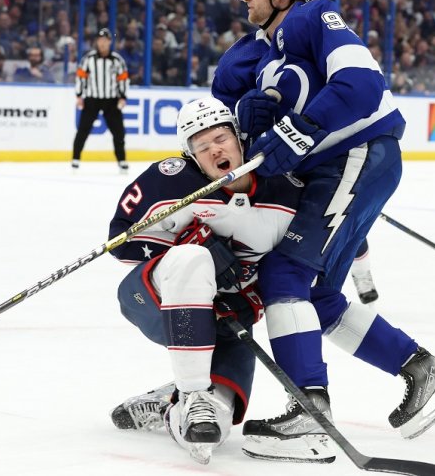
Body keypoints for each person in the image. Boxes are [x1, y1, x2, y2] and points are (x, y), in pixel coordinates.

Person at [229, 0, 435, 462]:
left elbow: (360, 83)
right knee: (317, 298)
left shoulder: (312, 17)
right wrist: (250, 113)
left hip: (354, 156)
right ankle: (425, 373)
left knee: (284, 277)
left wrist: (299, 130)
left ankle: (309, 415)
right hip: (340, 166)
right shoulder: (263, 52)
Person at [107, 97, 300, 464]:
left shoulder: (284, 190)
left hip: (229, 321)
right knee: (193, 258)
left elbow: (309, 260)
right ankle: (193, 392)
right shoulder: (171, 183)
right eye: (201, 145)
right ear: (191, 156)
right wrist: (182, 243)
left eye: (221, 137)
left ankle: (171, 407)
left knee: (212, 429)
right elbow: (121, 243)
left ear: (239, 139)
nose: (214, 149)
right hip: (154, 301)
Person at [210, 19, 380, 304]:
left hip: (320, 150)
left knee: (341, 219)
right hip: (275, 159)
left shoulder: (310, 36)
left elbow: (345, 88)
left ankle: (361, 273)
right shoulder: (241, 56)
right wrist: (242, 110)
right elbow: (222, 113)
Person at [72, 27, 129, 173]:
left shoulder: (117, 60)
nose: (102, 43)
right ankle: (75, 159)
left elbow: (123, 79)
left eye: (105, 40)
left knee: (118, 132)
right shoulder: (88, 59)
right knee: (83, 129)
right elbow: (81, 77)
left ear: (110, 41)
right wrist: (79, 95)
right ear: (97, 42)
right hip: (92, 99)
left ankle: (122, 160)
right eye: (100, 40)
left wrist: (122, 97)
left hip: (111, 100)